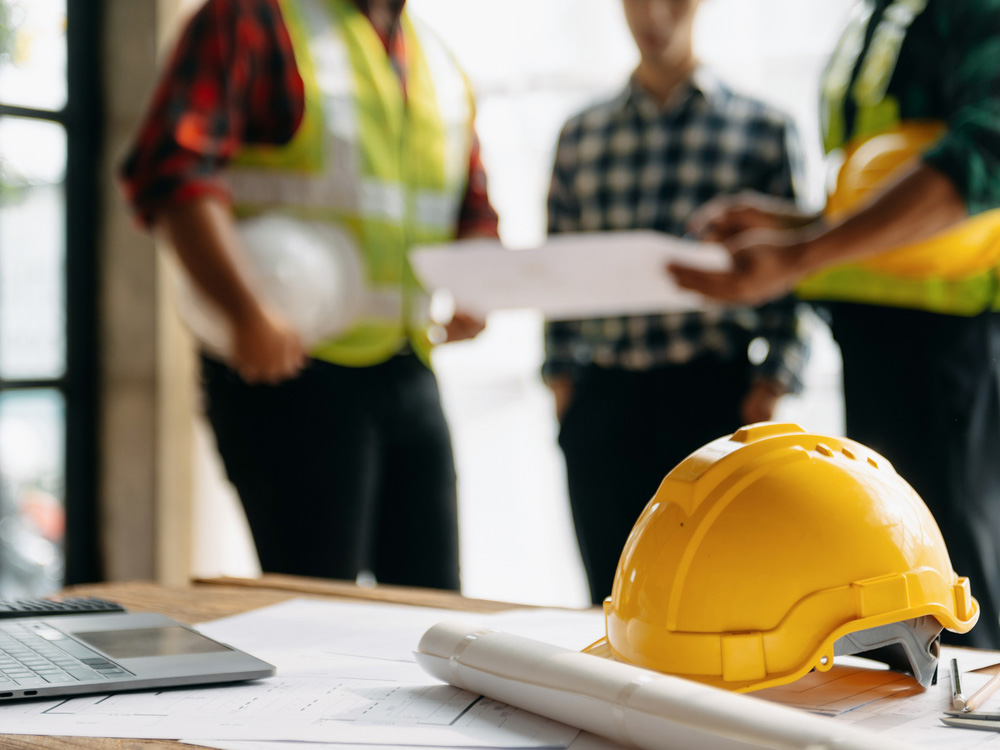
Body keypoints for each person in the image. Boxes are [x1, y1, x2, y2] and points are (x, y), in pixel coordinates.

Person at [119, 0, 499, 591]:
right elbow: (174, 171)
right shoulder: (252, 18)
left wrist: (477, 279)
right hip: (291, 373)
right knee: (316, 614)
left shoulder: (438, 63)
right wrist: (245, 312)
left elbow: (472, 205)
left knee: (435, 609)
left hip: (407, 365)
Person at [670, 0, 1000, 648]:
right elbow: (880, 187)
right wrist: (792, 226)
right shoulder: (886, 15)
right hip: (876, 340)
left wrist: (799, 255)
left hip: (947, 345)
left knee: (959, 592)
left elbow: (982, 156)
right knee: (901, 588)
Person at [543, 0, 809, 605]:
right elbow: (559, 272)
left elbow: (794, 277)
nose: (654, 14)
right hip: (604, 401)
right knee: (613, 601)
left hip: (715, 399)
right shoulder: (580, 134)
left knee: (723, 600)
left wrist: (772, 385)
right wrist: (563, 388)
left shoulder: (764, 128)